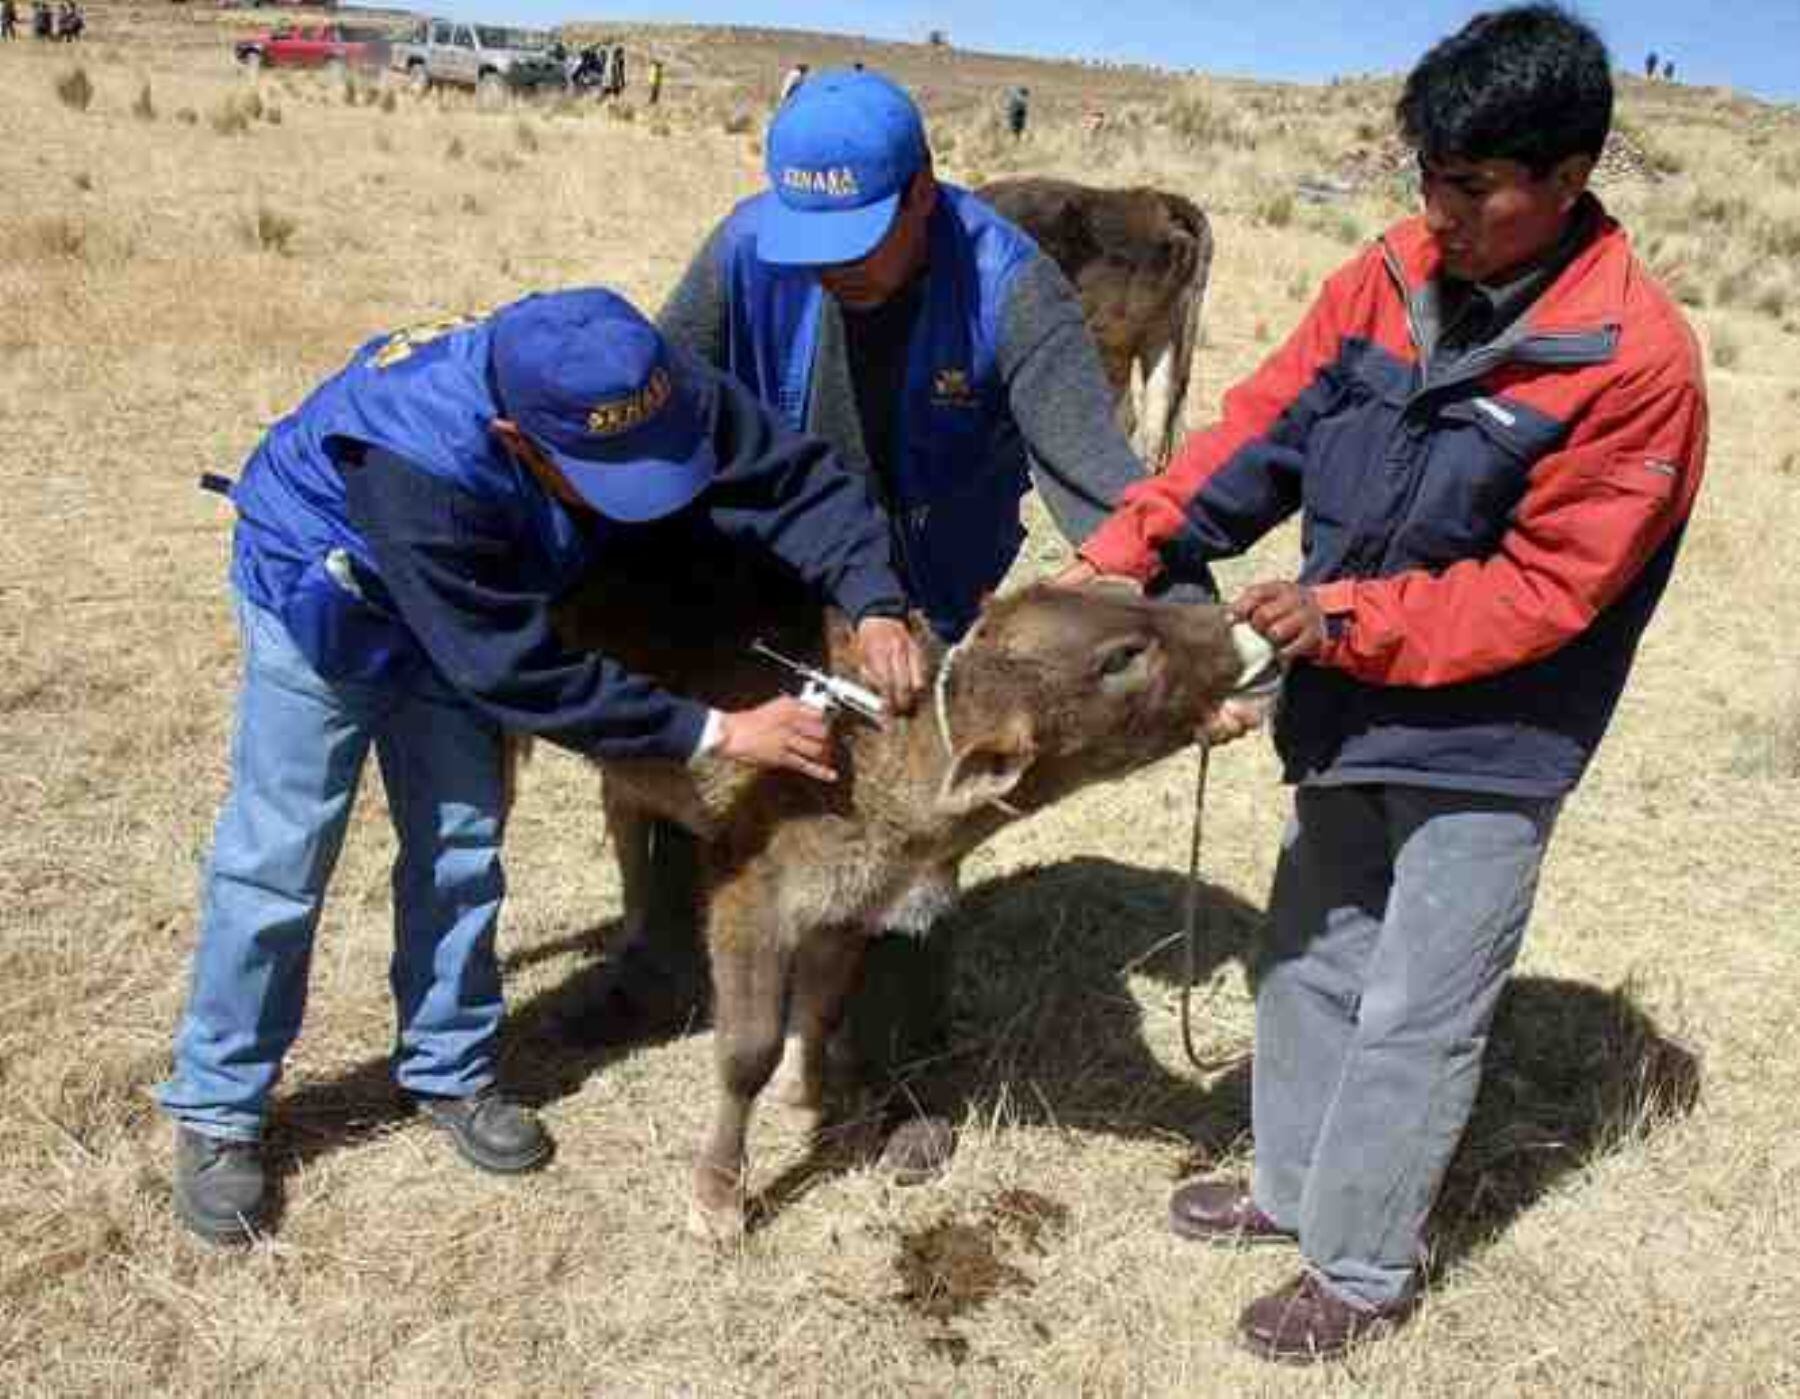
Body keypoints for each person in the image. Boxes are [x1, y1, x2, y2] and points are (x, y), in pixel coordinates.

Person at [1060, 4, 1707, 1363]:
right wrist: (1135, 546)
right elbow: (1264, 430)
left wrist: (1341, 611)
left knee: (1420, 1003)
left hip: (1494, 736)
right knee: (1310, 956)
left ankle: (1359, 1266)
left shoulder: (1635, 363)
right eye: (1427, 176)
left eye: (1474, 186)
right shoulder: (1386, 276)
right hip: (1349, 696)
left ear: (1571, 175)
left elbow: (1548, 587)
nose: (1440, 211)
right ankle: (1291, 1187)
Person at [157, 289, 923, 1245]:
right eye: (607, 474)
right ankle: (220, 1107)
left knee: (460, 842)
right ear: (517, 438)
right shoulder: (419, 468)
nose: (641, 485)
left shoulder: (635, 382)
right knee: (281, 857)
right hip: (328, 591)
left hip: (487, 588)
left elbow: (794, 479)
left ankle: (447, 1066)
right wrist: (718, 732)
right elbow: (516, 668)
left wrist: (874, 595)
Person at [629, 68, 1172, 1156]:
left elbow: (1099, 478)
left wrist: (1182, 623)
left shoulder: (1011, 287)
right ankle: (656, 969)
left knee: (919, 826)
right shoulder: (747, 251)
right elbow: (658, 385)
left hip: (926, 594)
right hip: (770, 579)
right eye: (810, 238)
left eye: (860, 237)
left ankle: (902, 1058)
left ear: (925, 194)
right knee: (706, 781)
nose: (830, 264)